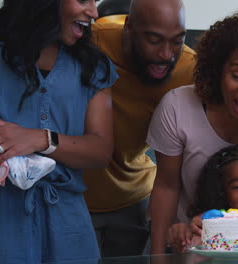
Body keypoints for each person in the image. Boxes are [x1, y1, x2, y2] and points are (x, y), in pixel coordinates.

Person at [147, 9, 238, 254]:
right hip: (190, 245)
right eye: (237, 75)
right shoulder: (177, 107)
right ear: (217, 70)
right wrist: (158, 256)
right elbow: (166, 186)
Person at [0, 0, 117, 262]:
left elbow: (100, 150)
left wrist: (40, 139)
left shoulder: (93, 67)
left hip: (68, 228)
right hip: (0, 222)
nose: (94, 12)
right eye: (83, 0)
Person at [84, 0, 196, 257]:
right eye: (154, 40)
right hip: (74, 198)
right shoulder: (93, 42)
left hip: (135, 198)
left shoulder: (191, 69)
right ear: (129, 27)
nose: (166, 54)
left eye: (177, 40)